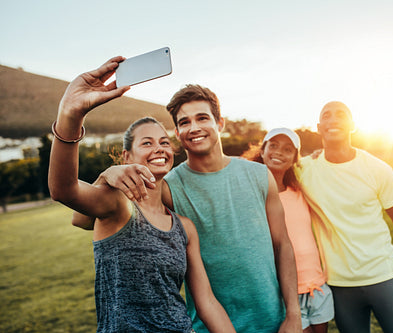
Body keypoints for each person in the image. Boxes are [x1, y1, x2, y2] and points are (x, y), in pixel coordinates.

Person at [73, 84, 302, 332]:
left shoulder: (259, 175)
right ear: (178, 133)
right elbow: (83, 219)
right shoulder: (167, 186)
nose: (194, 128)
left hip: (273, 320)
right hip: (208, 326)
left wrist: (293, 314)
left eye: (202, 118)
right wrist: (108, 174)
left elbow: (283, 245)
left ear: (220, 123)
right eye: (184, 122)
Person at [48, 57, 236, 333]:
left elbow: (206, 301)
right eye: (147, 143)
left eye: (164, 142)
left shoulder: (184, 228)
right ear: (127, 156)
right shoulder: (117, 207)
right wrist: (70, 115)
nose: (159, 149)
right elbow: (63, 189)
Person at [295, 101, 393, 333]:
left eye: (341, 115)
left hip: (384, 276)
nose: (333, 120)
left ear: (353, 125)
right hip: (340, 285)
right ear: (319, 126)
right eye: (327, 116)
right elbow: (269, 170)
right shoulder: (304, 170)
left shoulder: (378, 168)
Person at [247, 128, 334, 333]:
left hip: (317, 286)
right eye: (273, 146)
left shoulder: (299, 190)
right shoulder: (253, 195)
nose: (278, 152)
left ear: (295, 158)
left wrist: (316, 156)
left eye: (287, 149)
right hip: (286, 292)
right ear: (262, 150)